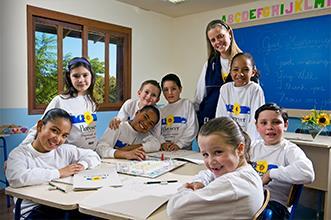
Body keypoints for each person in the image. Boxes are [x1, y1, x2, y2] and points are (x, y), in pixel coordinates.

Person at [6, 108, 101, 219]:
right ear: (40, 126)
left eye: (64, 135)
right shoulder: (19, 154)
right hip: (33, 211)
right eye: (54, 130)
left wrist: (82, 165)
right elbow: (16, 177)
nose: (58, 139)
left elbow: (93, 155)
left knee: (94, 214)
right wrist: (59, 173)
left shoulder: (64, 150)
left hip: (61, 205)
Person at [167, 117, 264, 219]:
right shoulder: (245, 171)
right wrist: (200, 182)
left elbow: (175, 210)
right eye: (205, 154)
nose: (211, 161)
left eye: (218, 152)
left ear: (240, 149)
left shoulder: (231, 184)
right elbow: (208, 173)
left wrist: (186, 189)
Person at [250, 103, 315, 220]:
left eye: (276, 122)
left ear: (285, 125)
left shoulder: (289, 150)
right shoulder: (251, 147)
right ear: (256, 126)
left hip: (274, 205)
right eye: (264, 123)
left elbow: (307, 173)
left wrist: (271, 174)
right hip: (250, 197)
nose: (270, 127)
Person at [22, 57, 98, 150]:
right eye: (76, 76)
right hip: (69, 156)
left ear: (91, 76)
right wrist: (21, 151)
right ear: (69, 77)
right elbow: (38, 128)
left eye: (85, 75)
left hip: (90, 154)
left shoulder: (91, 101)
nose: (81, 80)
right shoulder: (60, 100)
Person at [193, 19, 242, 129]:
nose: (217, 42)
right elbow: (199, 99)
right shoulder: (209, 65)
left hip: (236, 124)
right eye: (213, 40)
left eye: (220, 36)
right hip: (210, 124)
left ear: (229, 33)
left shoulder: (245, 63)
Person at [215, 52, 264, 141]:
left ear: (253, 72)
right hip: (229, 140)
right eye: (235, 69)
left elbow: (256, 120)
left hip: (250, 141)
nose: (240, 73)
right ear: (230, 71)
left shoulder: (255, 90)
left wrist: (247, 142)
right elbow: (221, 117)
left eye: (245, 69)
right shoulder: (225, 89)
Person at [160, 73, 198, 151]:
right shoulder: (161, 110)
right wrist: (163, 143)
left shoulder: (187, 104)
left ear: (180, 89)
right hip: (165, 150)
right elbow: (157, 132)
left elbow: (192, 129)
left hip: (183, 150)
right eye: (166, 90)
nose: (170, 93)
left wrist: (179, 144)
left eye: (173, 89)